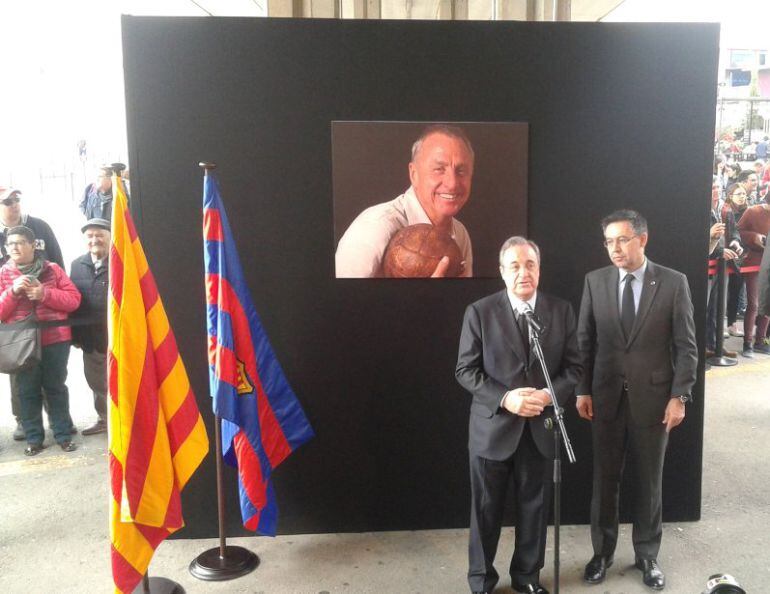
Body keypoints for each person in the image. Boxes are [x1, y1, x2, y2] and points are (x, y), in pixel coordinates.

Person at [576, 210, 697, 591]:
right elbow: (585, 342)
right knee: (605, 481)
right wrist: (582, 389)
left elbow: (687, 347)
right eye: (609, 241)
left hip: (655, 399)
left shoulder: (674, 283)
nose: (614, 248)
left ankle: (647, 554)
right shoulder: (595, 282)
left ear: (643, 239)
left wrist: (679, 396)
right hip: (606, 397)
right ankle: (602, 553)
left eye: (622, 239)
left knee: (650, 482)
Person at [456, 236, 581, 594]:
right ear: (501, 271)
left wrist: (546, 395)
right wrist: (506, 398)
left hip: (539, 428)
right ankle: (481, 581)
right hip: (492, 429)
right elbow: (466, 370)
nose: (523, 272)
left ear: (539, 269)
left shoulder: (560, 311)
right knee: (485, 513)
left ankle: (527, 578)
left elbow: (574, 367)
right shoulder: (479, 312)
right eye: (514, 265)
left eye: (530, 264)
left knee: (535, 510)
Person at [335, 124, 474, 278]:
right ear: (414, 174)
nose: (452, 183)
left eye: (461, 171)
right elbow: (339, 300)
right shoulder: (375, 227)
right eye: (439, 169)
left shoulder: (461, 235)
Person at [0, 226, 81, 455]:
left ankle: (63, 435)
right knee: (27, 391)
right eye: (10, 244)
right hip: (20, 344)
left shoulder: (52, 270)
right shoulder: (3, 274)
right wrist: (13, 292)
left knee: (56, 387)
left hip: (55, 340)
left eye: (20, 242)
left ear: (33, 245)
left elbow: (74, 300)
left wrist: (44, 294)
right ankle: (34, 438)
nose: (14, 247)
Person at [0, 186, 66, 441]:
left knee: (53, 377)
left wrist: (50, 291)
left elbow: (57, 260)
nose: (13, 205)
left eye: (16, 200)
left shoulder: (40, 226)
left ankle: (58, 422)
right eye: (6, 201)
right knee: (22, 379)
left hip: (47, 314)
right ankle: (25, 423)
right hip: (14, 319)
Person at [69, 218, 110, 435]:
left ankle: (127, 422)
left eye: (99, 234)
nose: (95, 240)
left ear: (109, 236)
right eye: (90, 236)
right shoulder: (77, 265)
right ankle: (104, 420)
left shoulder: (121, 263)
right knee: (96, 383)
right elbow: (73, 301)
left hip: (116, 336)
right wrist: (75, 336)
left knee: (122, 382)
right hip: (90, 338)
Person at [707, 178, 741, 358]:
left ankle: (716, 344)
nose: (715, 190)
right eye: (712, 187)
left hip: (724, 262)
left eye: (718, 187)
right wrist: (720, 250)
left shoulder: (725, 208)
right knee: (705, 306)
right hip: (708, 262)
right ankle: (706, 345)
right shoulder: (701, 206)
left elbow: (734, 230)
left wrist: (735, 242)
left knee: (718, 306)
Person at [737, 194, 770, 356]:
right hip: (754, 261)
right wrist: (754, 237)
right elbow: (737, 231)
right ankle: (748, 342)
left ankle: (760, 340)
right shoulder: (753, 211)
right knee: (754, 303)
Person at [722, 183, 750, 337]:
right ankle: (722, 325)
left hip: (741, 256)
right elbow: (732, 232)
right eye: (739, 194)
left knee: (736, 289)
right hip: (726, 255)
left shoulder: (748, 211)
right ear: (730, 195)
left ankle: (731, 323)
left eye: (744, 194)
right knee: (722, 291)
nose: (742, 196)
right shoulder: (726, 211)